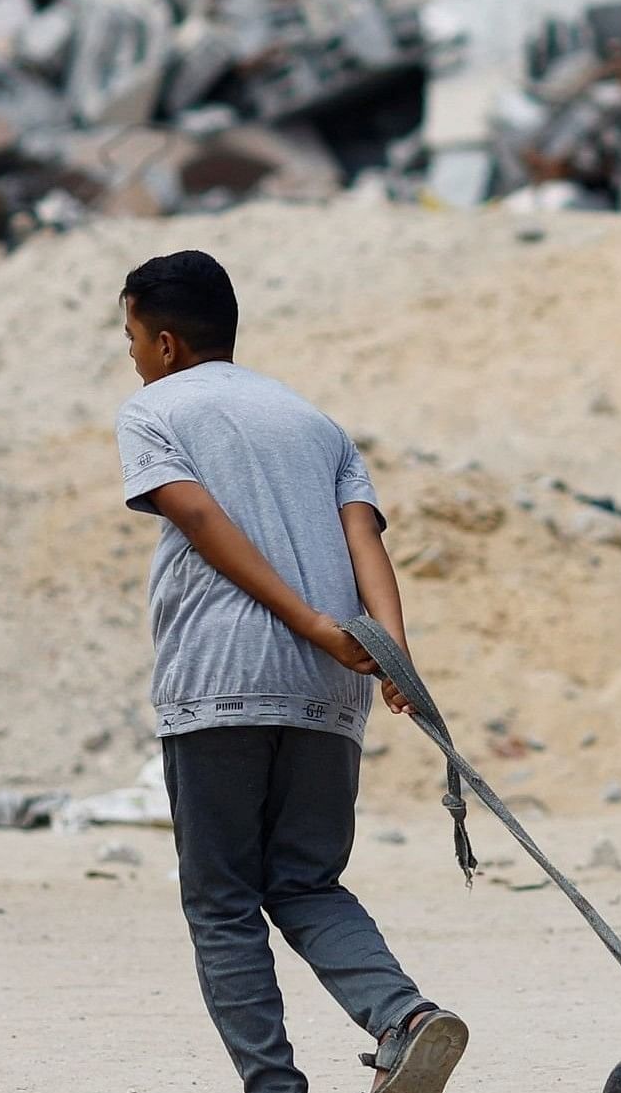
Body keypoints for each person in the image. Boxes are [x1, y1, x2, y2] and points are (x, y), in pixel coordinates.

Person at [114, 250, 469, 1093]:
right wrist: (393, 656)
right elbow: (364, 540)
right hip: (330, 689)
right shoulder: (317, 423)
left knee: (224, 899)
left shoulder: (154, 407)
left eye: (129, 335)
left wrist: (306, 618)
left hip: (219, 683)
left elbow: (198, 516)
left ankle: (275, 1085)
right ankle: (404, 1017)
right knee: (307, 880)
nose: (128, 353)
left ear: (164, 342)